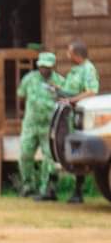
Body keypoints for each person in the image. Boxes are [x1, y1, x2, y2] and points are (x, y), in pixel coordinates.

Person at [17, 52, 65, 201]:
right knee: (25, 154)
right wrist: (23, 113)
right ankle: (28, 185)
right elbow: (21, 97)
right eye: (42, 66)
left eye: (47, 66)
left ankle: (47, 189)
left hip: (49, 126)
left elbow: (64, 101)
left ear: (53, 66)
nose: (44, 69)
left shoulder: (60, 82)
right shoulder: (29, 79)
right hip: (30, 124)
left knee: (50, 157)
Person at [61, 41, 100, 204]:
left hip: (81, 119)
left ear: (77, 55)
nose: (67, 55)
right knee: (73, 152)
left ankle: (79, 191)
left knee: (79, 153)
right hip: (71, 117)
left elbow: (91, 91)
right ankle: (76, 191)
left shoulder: (88, 70)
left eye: (69, 52)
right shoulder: (76, 70)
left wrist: (71, 100)